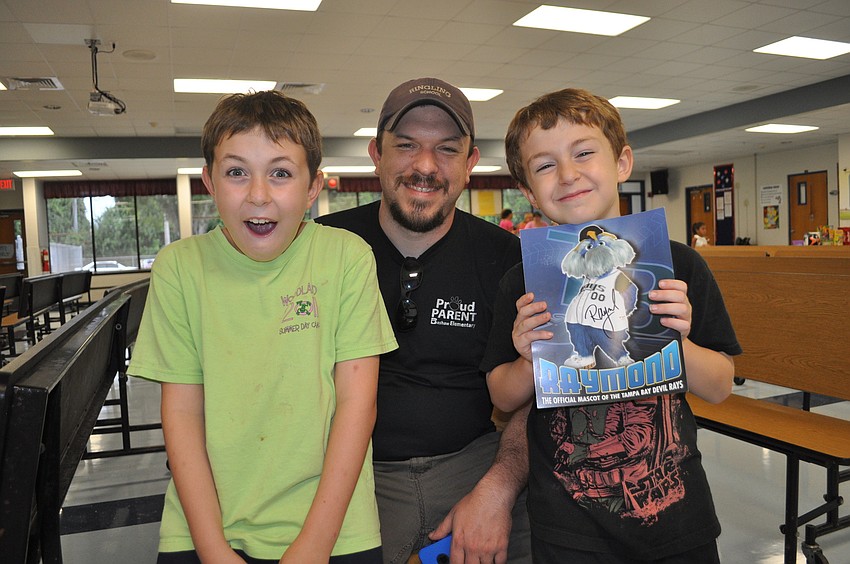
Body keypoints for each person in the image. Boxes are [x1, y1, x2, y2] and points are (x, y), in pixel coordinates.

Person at [128, 90, 398, 563]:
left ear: (313, 186)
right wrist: (213, 550)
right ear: (209, 180)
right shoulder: (179, 268)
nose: (258, 194)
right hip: (204, 529)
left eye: (280, 173)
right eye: (236, 172)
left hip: (335, 531)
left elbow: (358, 405)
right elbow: (182, 415)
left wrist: (313, 548)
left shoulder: (346, 258)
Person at [481, 88, 742, 563]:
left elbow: (721, 386)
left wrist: (675, 341)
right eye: (544, 165)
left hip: (677, 518)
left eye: (584, 153)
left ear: (622, 162)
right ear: (527, 191)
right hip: (567, 527)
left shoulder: (678, 266)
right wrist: (526, 357)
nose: (567, 174)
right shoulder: (521, 282)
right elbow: (502, 396)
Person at [316, 78, 531, 564]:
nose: (426, 166)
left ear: (471, 162)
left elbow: (535, 393)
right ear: (376, 153)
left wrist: (498, 489)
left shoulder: (508, 257)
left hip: (477, 467)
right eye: (406, 146)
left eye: (447, 149)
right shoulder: (323, 247)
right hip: (353, 472)